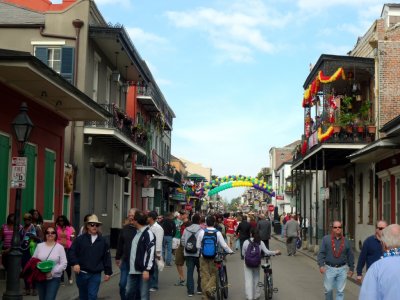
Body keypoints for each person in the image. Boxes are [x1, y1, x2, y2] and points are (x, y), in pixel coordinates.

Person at [69, 214, 112, 300]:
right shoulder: (80, 239)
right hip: (81, 273)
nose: (94, 227)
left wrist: (108, 272)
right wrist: (75, 263)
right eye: (92, 224)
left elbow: (106, 257)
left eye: (97, 225)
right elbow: (71, 252)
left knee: (92, 296)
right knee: (83, 296)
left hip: (95, 274)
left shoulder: (103, 241)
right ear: (87, 226)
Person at [359, 224, 400, 300]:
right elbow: (362, 257)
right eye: (380, 228)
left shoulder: (376, 268)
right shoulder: (368, 241)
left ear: (384, 244)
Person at [197, 215, 233, 299]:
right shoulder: (217, 233)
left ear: (206, 223)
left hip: (203, 257)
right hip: (214, 257)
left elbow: (198, 246)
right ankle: (209, 290)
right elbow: (224, 245)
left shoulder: (202, 232)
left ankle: (205, 296)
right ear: (214, 223)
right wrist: (230, 251)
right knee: (214, 274)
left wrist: (202, 251)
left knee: (204, 275)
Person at [317, 220, 354, 300]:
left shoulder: (346, 241)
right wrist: (321, 265)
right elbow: (321, 253)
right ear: (332, 229)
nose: (337, 229)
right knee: (328, 290)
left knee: (340, 291)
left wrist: (351, 268)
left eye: (339, 227)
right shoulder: (326, 239)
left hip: (342, 269)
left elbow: (350, 255)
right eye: (335, 227)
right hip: (329, 268)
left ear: (341, 229)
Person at [242, 228, 280, 300]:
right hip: (256, 263)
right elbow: (267, 252)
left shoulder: (245, 242)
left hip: (247, 264)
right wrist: (276, 252)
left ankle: (249, 297)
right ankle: (256, 295)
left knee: (248, 280)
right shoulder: (260, 242)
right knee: (256, 279)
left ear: (250, 234)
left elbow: (243, 254)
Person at [125, 210, 156, 300]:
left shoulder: (148, 233)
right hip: (133, 270)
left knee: (144, 296)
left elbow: (150, 252)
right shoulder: (137, 232)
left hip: (143, 270)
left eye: (133, 219)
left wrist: (147, 269)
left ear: (136, 221)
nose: (131, 220)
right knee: (128, 292)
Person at [32, 225, 67, 300]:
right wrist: (37, 263)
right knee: (42, 298)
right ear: (45, 234)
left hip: (54, 278)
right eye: (48, 232)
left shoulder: (60, 247)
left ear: (55, 235)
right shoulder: (39, 246)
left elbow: (64, 264)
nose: (50, 234)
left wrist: (52, 272)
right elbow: (33, 259)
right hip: (40, 277)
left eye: (52, 232)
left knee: (49, 298)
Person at [115, 208, 137, 300]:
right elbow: (120, 244)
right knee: (122, 285)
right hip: (125, 261)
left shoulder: (140, 229)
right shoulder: (124, 229)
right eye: (129, 215)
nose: (130, 217)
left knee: (132, 287)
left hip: (136, 263)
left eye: (133, 215)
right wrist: (117, 257)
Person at [181, 213, 202, 297]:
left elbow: (182, 241)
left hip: (188, 253)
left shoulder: (186, 229)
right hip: (198, 254)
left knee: (189, 272)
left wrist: (187, 246)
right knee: (200, 271)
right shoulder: (201, 230)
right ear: (199, 221)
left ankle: (190, 291)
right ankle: (199, 289)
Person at [20, 212, 39, 296]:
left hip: (32, 251)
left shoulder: (35, 228)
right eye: (25, 219)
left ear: (31, 220)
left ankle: (34, 288)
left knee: (32, 270)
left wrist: (34, 237)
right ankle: (27, 288)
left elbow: (40, 239)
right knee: (25, 270)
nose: (27, 221)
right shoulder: (21, 229)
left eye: (28, 219)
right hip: (23, 252)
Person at [56, 215, 76, 285]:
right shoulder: (57, 228)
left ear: (64, 221)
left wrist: (72, 239)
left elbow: (73, 237)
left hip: (68, 248)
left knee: (67, 264)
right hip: (59, 247)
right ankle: (61, 280)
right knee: (59, 263)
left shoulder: (70, 228)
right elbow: (56, 237)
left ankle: (70, 277)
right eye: (59, 221)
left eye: (62, 220)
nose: (60, 222)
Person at [147, 210, 164, 292]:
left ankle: (154, 285)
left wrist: (158, 253)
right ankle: (150, 283)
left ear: (151, 218)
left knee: (154, 268)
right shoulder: (149, 226)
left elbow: (159, 241)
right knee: (150, 266)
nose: (147, 218)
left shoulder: (158, 228)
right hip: (149, 250)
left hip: (154, 251)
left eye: (148, 217)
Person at [174, 210, 191, 286]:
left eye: (182, 214)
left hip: (188, 245)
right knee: (178, 261)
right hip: (181, 244)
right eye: (180, 214)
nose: (180, 215)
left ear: (186, 215)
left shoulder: (189, 224)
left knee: (190, 264)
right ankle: (182, 278)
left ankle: (189, 281)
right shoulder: (181, 223)